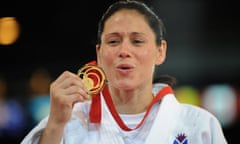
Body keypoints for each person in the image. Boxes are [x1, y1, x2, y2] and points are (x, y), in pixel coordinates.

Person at [21, 0, 228, 143]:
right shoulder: (66, 121)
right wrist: (56, 124)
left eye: (137, 41)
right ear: (99, 54)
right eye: (113, 41)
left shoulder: (200, 125)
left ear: (160, 51)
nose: (124, 51)